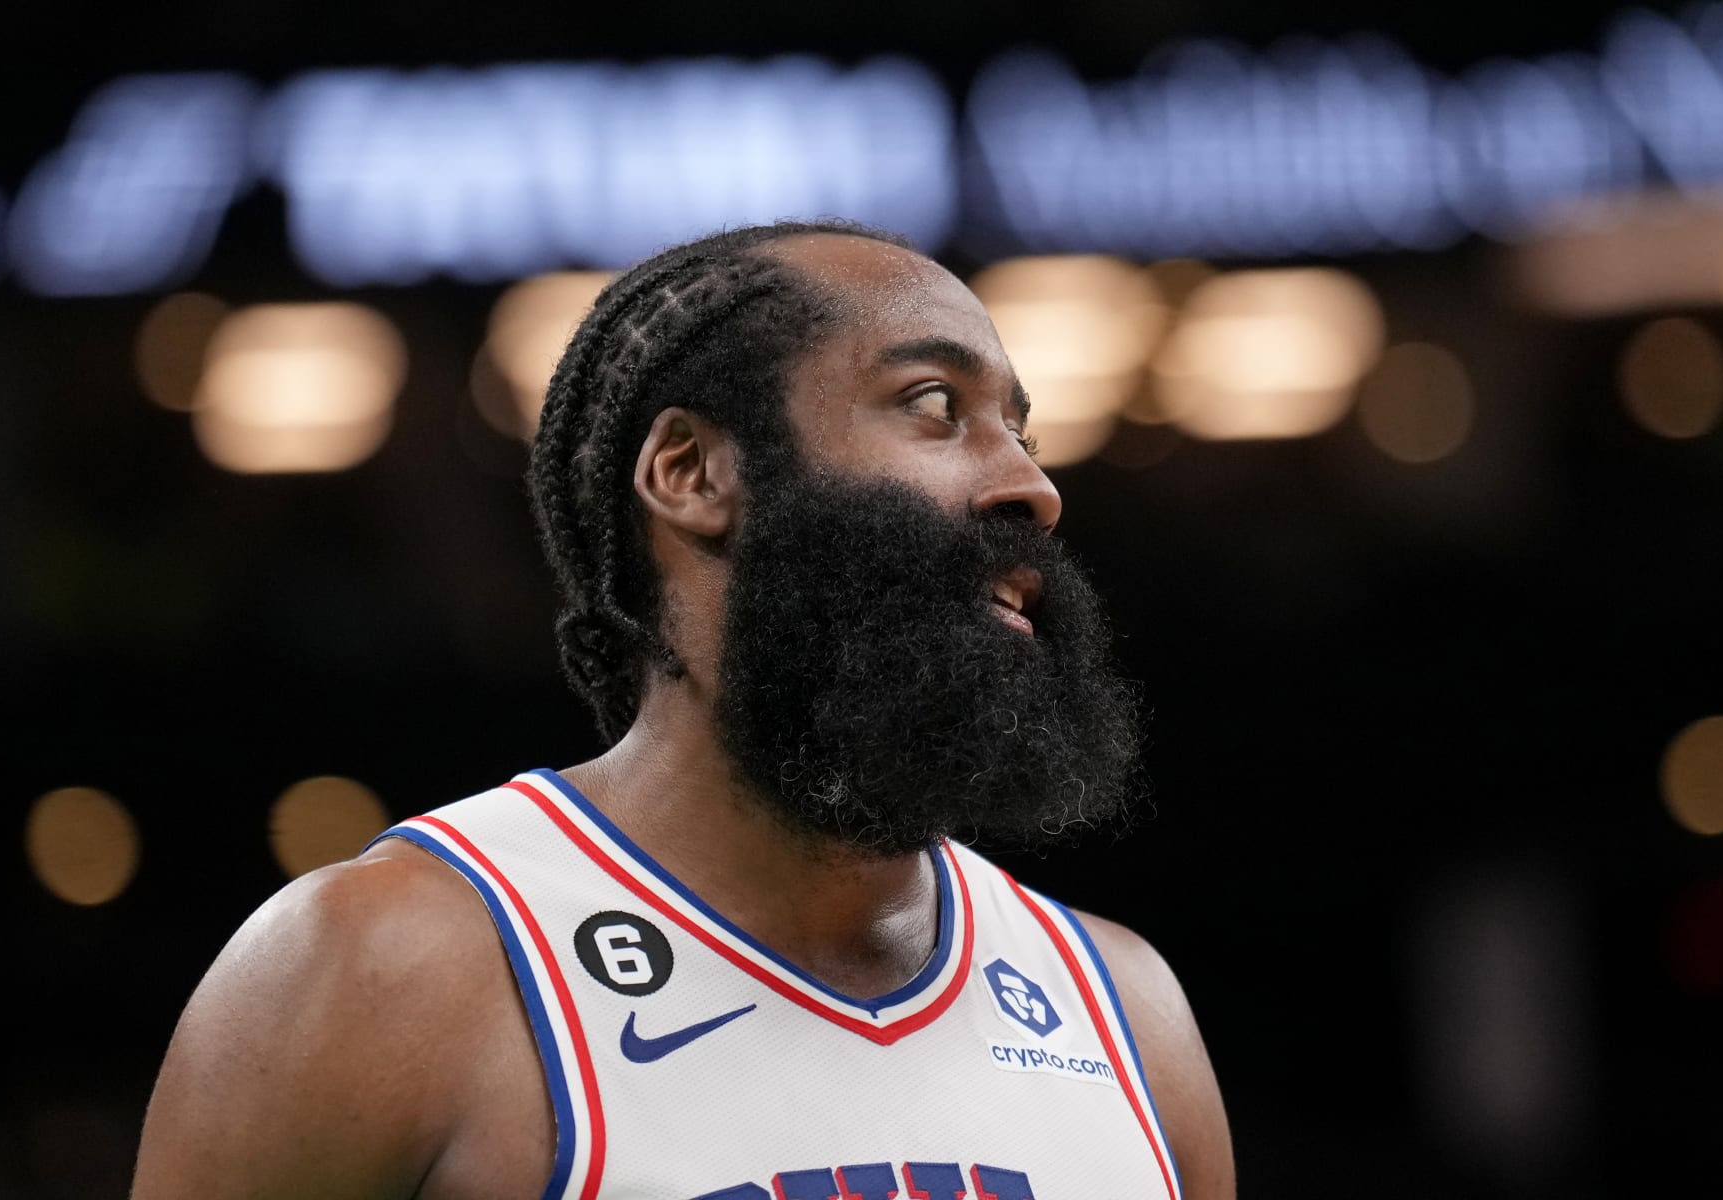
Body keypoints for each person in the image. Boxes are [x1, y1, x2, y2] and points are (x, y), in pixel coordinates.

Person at [132, 222, 1234, 1199]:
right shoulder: (384, 967)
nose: (1031, 486)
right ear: (692, 470)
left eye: (1021, 429)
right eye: (935, 406)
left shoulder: (1125, 1013)